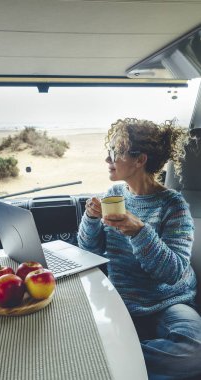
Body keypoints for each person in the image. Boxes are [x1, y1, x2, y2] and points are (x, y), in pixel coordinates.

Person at [77, 118, 201, 380]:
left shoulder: (173, 206)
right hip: (121, 300)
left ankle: (103, 362)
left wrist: (140, 231)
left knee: (194, 354)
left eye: (115, 151)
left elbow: (173, 272)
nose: (107, 159)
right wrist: (90, 219)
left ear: (139, 160)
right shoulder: (114, 194)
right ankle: (118, 362)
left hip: (170, 302)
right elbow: (89, 249)